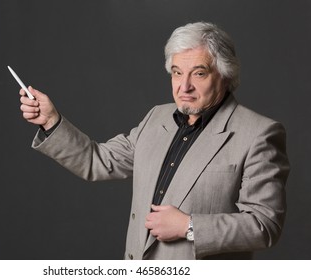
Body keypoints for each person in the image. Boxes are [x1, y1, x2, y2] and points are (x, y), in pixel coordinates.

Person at [18, 22, 290, 259]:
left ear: (225, 74)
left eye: (199, 73)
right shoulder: (156, 118)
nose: (184, 87)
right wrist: (51, 122)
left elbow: (265, 225)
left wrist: (189, 226)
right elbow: (97, 161)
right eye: (176, 72)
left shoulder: (259, 133)